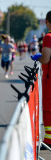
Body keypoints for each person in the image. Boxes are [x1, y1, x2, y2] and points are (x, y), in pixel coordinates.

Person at [31, 10, 51, 150]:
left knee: (49, 109)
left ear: (47, 21)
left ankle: (49, 140)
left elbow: (45, 58)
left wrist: (39, 57)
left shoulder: (48, 37)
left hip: (50, 77)